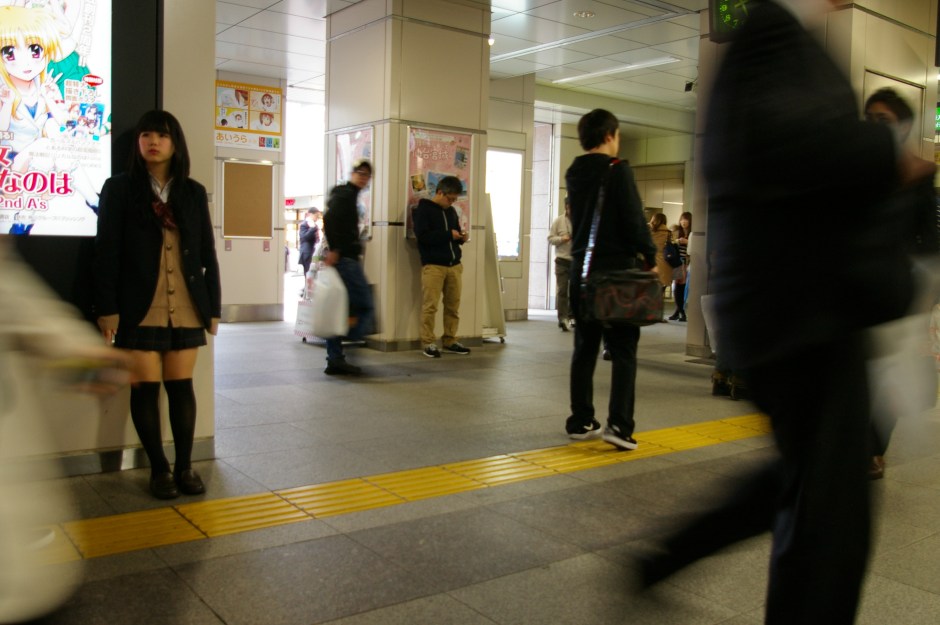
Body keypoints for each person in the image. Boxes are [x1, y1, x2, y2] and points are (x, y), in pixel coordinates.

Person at [637, 2, 933, 622]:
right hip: (800, 319)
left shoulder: (774, 43)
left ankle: (670, 552)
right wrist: (885, 152)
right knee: (831, 517)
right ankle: (670, 553)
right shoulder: (769, 35)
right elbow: (787, 143)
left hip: (802, 315)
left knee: (806, 484)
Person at [94, 110, 222, 500]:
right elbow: (106, 252)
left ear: (174, 143)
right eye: (146, 134)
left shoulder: (192, 191)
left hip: (185, 302)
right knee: (145, 388)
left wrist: (213, 306)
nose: (153, 141)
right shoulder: (118, 189)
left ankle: (185, 466)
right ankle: (159, 469)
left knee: (181, 387)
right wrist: (107, 307)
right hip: (138, 303)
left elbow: (206, 251)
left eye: (162, 136)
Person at [564, 108, 657, 450]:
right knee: (623, 350)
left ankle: (581, 420)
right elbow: (634, 219)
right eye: (616, 136)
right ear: (609, 135)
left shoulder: (574, 171)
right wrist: (649, 255)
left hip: (582, 270)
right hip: (616, 272)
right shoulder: (618, 170)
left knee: (584, 347)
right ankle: (619, 425)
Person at [863, 87, 940, 479]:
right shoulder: (855, 171)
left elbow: (930, 242)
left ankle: (874, 449)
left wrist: (924, 299)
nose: (875, 127)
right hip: (854, 293)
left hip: (896, 295)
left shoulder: (919, 174)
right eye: (870, 119)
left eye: (885, 121)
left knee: (886, 381)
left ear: (905, 126)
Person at [321, 159, 375, 375]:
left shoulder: (349, 195)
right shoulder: (345, 195)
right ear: (352, 174)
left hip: (344, 257)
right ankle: (350, 337)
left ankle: (335, 359)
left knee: (339, 308)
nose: (363, 178)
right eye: (360, 173)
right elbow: (329, 219)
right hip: (346, 259)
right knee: (365, 304)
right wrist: (336, 249)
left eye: (367, 175)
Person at [413, 175, 471, 358]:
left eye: (454, 199)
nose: (451, 202)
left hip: (454, 265)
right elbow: (423, 237)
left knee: (453, 306)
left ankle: (450, 339)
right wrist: (448, 235)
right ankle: (428, 342)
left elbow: (453, 236)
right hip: (433, 266)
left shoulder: (452, 212)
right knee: (431, 306)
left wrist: (461, 238)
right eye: (450, 198)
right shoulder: (423, 209)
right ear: (439, 192)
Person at [548, 197, 574, 331]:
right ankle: (562, 318)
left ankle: (572, 315)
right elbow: (550, 238)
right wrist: (561, 239)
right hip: (562, 260)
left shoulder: (581, 221)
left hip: (577, 261)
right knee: (562, 290)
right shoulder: (559, 221)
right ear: (566, 207)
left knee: (575, 290)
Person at [668, 211, 691, 321]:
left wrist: (688, 242)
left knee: (682, 289)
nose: (683, 222)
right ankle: (680, 312)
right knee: (677, 288)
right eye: (682, 219)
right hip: (677, 263)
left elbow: (694, 249)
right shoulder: (677, 231)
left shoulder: (692, 233)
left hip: (686, 264)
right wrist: (678, 241)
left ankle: (679, 312)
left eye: (686, 220)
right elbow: (671, 243)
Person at [648, 212, 671, 299]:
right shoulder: (668, 233)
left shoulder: (649, 231)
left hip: (651, 264)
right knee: (659, 295)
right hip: (665, 264)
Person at [297, 208, 321, 278]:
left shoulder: (314, 225)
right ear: (311, 214)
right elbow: (304, 237)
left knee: (313, 274)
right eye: (316, 215)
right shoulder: (305, 224)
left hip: (313, 252)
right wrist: (313, 228)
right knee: (308, 273)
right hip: (307, 253)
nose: (317, 218)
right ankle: (307, 287)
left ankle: (309, 287)